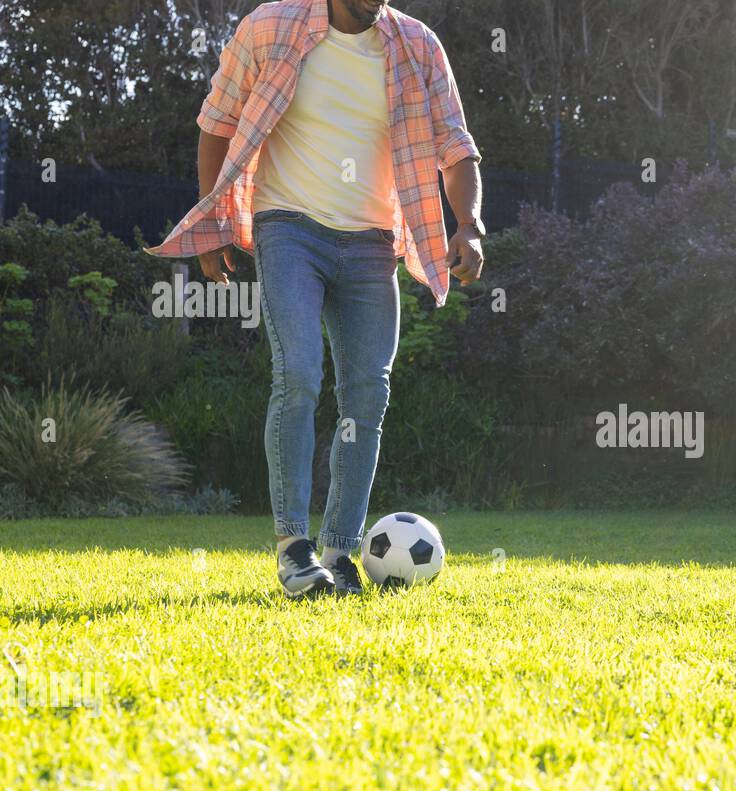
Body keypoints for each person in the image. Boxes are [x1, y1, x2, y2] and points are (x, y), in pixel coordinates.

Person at [149, 0, 485, 598]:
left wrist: (470, 223)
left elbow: (455, 146)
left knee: (366, 395)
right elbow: (216, 122)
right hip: (288, 229)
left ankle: (340, 551)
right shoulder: (270, 26)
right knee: (298, 374)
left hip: (372, 245)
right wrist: (216, 222)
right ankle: (292, 547)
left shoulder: (417, 45)